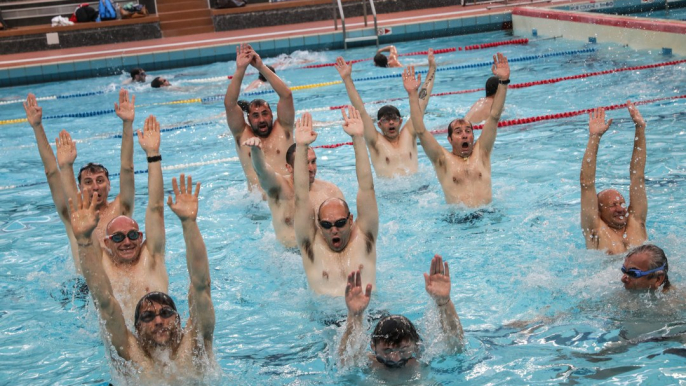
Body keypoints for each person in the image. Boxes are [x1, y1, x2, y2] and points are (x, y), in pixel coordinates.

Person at [69, 173, 214, 383]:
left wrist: (189, 224)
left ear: (178, 319)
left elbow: (201, 286)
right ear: (136, 328)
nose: (158, 320)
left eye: (166, 313)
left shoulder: (195, 343)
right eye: (147, 317)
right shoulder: (131, 355)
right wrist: (83, 241)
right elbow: (105, 302)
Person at [24, 90, 135, 272]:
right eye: (88, 182)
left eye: (100, 180)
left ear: (109, 185)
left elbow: (127, 168)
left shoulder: (121, 208)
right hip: (85, 287)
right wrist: (37, 127)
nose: (95, 186)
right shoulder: (72, 213)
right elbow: (51, 173)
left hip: (121, 279)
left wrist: (127, 124)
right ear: (79, 188)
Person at [403, 53, 510, 207]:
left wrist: (504, 81)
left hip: (489, 218)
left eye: (468, 131)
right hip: (458, 222)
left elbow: (494, 116)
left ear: (473, 136)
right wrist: (413, 95)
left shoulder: (482, 152)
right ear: (450, 139)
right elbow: (420, 130)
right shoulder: (442, 160)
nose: (465, 135)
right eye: (458, 132)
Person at [293, 108, 378, 296]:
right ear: (318, 224)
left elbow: (367, 187)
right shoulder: (310, 245)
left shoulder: (365, 237)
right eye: (326, 225)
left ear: (350, 220)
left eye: (340, 223)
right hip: (328, 323)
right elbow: (300, 197)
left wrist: (358, 138)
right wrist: (301, 148)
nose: (334, 230)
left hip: (371, 313)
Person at [93, 115, 169, 322]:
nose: (127, 242)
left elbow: (156, 207)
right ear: (107, 242)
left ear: (140, 236)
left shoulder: (151, 257)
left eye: (133, 235)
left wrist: (153, 155)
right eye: (118, 238)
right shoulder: (103, 263)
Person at [339, 255, 463, 368]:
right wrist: (355, 316)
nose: (395, 358)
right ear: (373, 347)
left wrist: (443, 302)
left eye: (403, 350)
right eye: (387, 351)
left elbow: (455, 345)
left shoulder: (422, 361)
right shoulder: (370, 363)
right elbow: (345, 360)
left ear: (416, 345)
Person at [334, 50, 437, 178]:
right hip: (390, 196)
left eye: (394, 119)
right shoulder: (375, 141)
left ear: (400, 121)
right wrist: (347, 79)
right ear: (379, 125)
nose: (391, 122)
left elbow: (422, 101)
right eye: (386, 120)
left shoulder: (409, 134)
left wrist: (432, 69)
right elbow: (360, 109)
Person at [242, 138, 344, 248]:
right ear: (289, 168)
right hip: (288, 256)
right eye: (304, 163)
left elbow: (345, 227)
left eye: (313, 162)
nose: (311, 168)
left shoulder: (331, 191)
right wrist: (256, 151)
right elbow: (262, 171)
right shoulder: (279, 188)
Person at [224, 43, 295, 192]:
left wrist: (261, 67)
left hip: (287, 199)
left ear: (272, 115)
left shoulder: (283, 129)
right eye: (255, 116)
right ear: (248, 119)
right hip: (257, 206)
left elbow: (286, 95)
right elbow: (230, 103)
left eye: (265, 114)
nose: (261, 120)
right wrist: (240, 69)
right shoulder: (242, 135)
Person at [580, 102, 647, 254]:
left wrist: (640, 129)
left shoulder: (636, 222)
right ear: (598, 211)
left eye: (621, 203)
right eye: (612, 205)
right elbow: (586, 184)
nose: (620, 209)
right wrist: (595, 137)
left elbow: (638, 177)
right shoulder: (595, 230)